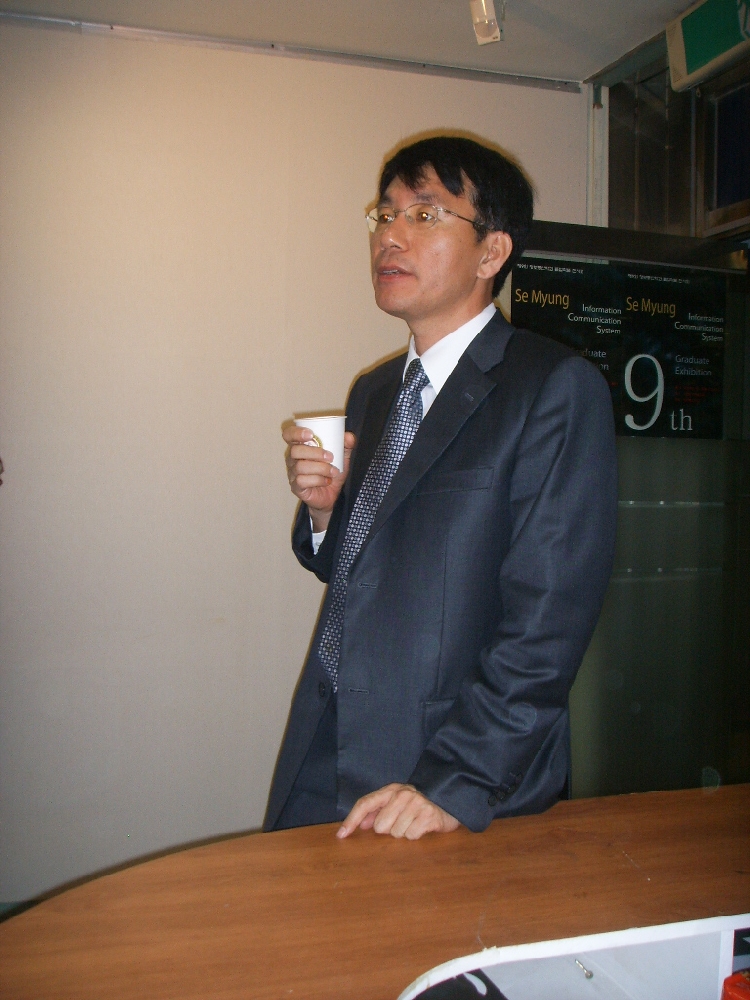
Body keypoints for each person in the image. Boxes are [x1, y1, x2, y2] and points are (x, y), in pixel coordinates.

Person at [264, 135, 617, 840]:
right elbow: (366, 571)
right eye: (385, 214)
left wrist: (455, 783)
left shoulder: (550, 388)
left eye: (425, 215)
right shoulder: (373, 393)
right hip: (324, 737)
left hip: (443, 771)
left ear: (492, 253)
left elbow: (546, 626)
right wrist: (326, 513)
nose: (390, 235)